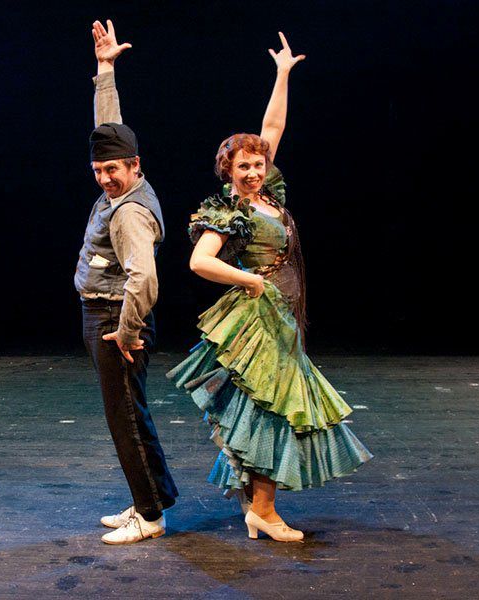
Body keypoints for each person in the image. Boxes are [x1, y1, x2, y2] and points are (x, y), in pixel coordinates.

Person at [168, 32, 372, 542]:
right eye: (245, 166)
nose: (255, 171)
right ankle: (263, 510)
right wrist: (249, 279)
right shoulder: (231, 210)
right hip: (260, 319)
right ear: (228, 170)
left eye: (259, 164)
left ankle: (256, 506)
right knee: (274, 409)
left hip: (282, 317)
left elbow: (272, 127)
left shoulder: (269, 197)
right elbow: (199, 261)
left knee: (265, 408)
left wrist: (282, 75)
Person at [75, 19, 178, 545]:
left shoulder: (130, 213)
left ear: (135, 166)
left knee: (125, 420)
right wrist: (105, 71)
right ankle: (149, 499)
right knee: (128, 414)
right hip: (107, 315)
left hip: (115, 319)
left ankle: (150, 515)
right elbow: (109, 129)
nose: (104, 178)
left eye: (113, 170)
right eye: (98, 171)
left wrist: (128, 330)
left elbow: (145, 277)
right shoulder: (123, 183)